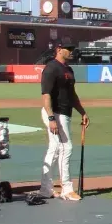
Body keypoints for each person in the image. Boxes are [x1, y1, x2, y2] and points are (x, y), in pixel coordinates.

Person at [39, 38, 88, 201]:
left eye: (72, 48)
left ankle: (46, 189)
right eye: (68, 48)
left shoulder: (69, 69)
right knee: (66, 148)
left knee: (54, 149)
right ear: (59, 49)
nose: (71, 51)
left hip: (65, 112)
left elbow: (72, 95)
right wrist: (51, 118)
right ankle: (67, 189)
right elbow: (46, 95)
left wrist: (82, 112)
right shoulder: (51, 68)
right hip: (55, 112)